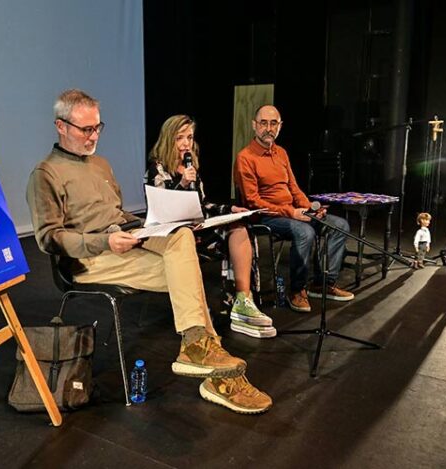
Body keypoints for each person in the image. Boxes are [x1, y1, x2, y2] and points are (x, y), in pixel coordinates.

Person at [26, 89, 271, 413]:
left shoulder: (100, 164)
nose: (94, 136)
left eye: (98, 127)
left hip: (125, 239)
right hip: (91, 258)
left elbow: (115, 214)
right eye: (86, 129)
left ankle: (196, 347)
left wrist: (151, 224)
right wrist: (105, 241)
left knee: (182, 236)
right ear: (61, 126)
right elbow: (48, 239)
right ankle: (217, 375)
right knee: (188, 277)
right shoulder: (46, 174)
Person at [147, 115, 276, 339]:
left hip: (197, 226)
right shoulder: (157, 169)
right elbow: (161, 209)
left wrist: (229, 209)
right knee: (192, 234)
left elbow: (203, 204)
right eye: (180, 138)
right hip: (174, 234)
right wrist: (183, 184)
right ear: (169, 139)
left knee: (238, 226)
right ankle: (197, 313)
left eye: (189, 137)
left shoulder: (190, 165)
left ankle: (242, 301)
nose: (186, 143)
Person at [234, 105, 354, 312]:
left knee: (339, 225)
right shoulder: (245, 157)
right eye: (263, 123)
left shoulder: (281, 153)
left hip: (292, 212)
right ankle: (297, 290)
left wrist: (309, 208)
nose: (268, 128)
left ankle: (323, 284)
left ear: (280, 127)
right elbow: (253, 202)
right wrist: (292, 213)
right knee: (304, 231)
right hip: (265, 216)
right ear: (254, 126)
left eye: (273, 123)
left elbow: (294, 188)